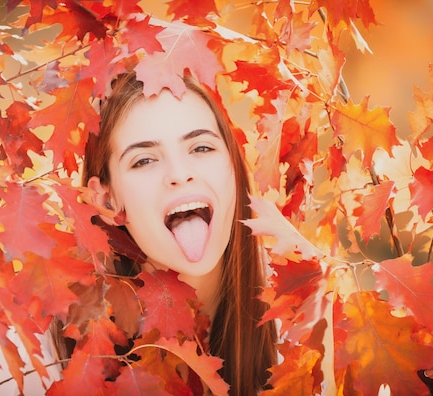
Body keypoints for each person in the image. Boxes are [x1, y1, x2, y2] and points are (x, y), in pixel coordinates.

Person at [51, 71, 278, 395]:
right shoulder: (48, 350)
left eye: (201, 148)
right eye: (144, 160)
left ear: (234, 166)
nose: (180, 173)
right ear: (106, 200)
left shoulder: (295, 317)